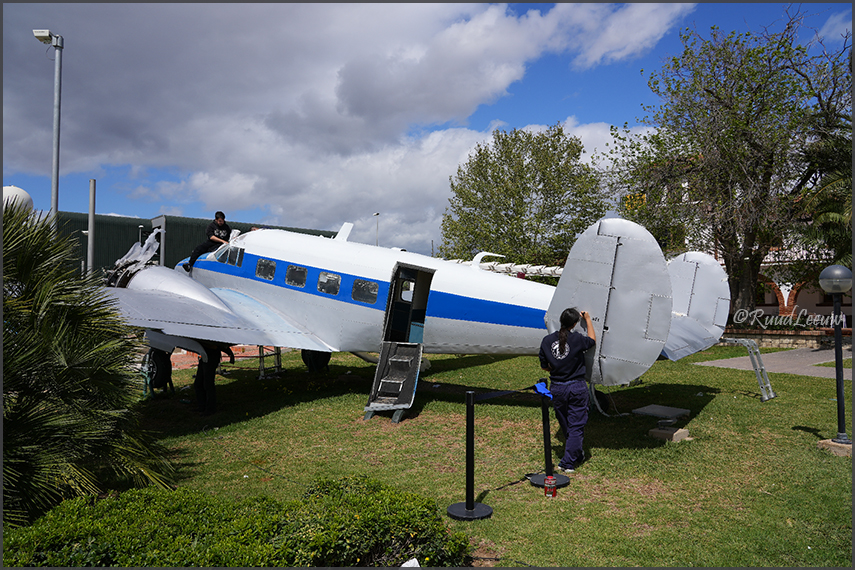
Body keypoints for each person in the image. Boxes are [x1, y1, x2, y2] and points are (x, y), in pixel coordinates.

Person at [539, 307, 596, 474]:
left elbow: (544, 367)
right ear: (574, 324)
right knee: (576, 426)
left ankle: (576, 454)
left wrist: (557, 368)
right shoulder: (578, 339)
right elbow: (592, 340)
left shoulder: (547, 340)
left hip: (557, 388)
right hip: (576, 387)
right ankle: (567, 463)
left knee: (566, 423)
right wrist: (589, 320)